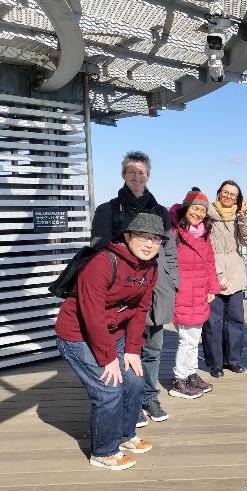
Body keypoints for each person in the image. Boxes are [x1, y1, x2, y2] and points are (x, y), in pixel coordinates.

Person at [56, 213, 164, 470]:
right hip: (78, 334)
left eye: (155, 239)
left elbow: (140, 310)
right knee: (109, 389)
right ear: (127, 236)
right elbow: (92, 315)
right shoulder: (102, 263)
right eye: (143, 236)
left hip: (114, 332)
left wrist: (132, 350)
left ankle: (125, 435)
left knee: (135, 381)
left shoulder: (151, 267)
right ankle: (103, 452)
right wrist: (108, 358)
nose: (149, 244)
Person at [91, 151, 179, 426]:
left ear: (148, 176)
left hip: (157, 287)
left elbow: (170, 250)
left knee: (153, 348)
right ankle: (132, 399)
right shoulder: (108, 210)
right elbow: (98, 250)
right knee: (128, 348)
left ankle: (149, 396)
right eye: (131, 171)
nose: (136, 176)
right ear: (123, 175)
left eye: (141, 172)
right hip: (124, 292)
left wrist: (172, 280)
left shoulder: (160, 211)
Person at [169, 188, 221, 399]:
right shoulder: (174, 232)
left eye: (202, 210)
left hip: (199, 293)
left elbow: (210, 262)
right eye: (195, 208)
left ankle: (190, 373)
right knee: (187, 340)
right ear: (185, 208)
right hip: (182, 293)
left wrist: (213, 288)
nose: (198, 214)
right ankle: (179, 379)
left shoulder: (203, 233)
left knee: (194, 338)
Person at [201, 181, 247, 378]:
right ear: (218, 193)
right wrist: (218, 275)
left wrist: (245, 218)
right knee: (213, 322)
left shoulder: (237, 216)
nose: (228, 197)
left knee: (236, 320)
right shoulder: (207, 215)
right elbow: (204, 249)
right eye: (225, 192)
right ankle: (215, 363)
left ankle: (232, 359)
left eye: (233, 194)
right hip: (213, 273)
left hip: (236, 275)